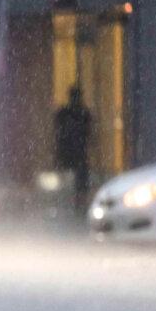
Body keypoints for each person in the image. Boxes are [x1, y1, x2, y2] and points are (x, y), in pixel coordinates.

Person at [54, 85, 93, 216]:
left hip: (72, 149)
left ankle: (75, 202)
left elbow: (59, 133)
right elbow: (88, 133)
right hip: (76, 149)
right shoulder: (81, 113)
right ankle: (77, 201)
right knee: (78, 176)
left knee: (76, 176)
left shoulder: (66, 114)